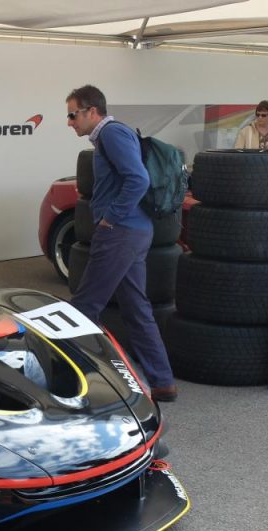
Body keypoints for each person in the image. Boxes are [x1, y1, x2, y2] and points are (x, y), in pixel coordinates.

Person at [65, 85, 177, 402]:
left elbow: (138, 179)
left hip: (121, 233)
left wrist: (111, 217)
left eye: (73, 114)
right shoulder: (110, 137)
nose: (70, 122)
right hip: (131, 232)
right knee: (136, 308)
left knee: (84, 308)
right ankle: (163, 382)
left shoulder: (112, 135)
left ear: (91, 111)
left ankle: (76, 384)